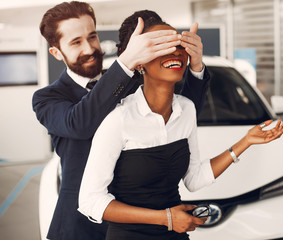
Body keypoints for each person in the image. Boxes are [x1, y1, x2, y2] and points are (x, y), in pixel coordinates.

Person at [78, 10, 283, 240]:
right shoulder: (118, 119)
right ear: (139, 62)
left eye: (178, 44)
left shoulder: (186, 109)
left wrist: (245, 142)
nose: (174, 51)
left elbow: (194, 179)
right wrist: (165, 218)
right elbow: (90, 201)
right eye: (161, 45)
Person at [32, 1, 210, 240]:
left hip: (135, 227)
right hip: (81, 229)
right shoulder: (47, 98)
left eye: (92, 36)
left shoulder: (132, 80)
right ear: (56, 52)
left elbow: (180, 113)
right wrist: (127, 62)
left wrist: (196, 66)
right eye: (76, 42)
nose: (89, 48)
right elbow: (80, 123)